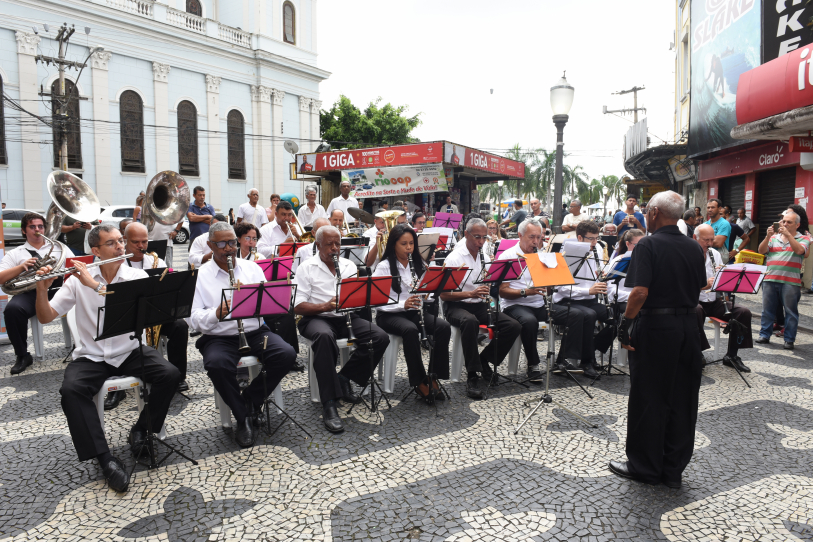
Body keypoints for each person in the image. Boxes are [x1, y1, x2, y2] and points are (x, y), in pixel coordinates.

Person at [36, 224, 181, 493]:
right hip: (91, 355)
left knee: (170, 374)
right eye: (112, 243)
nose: (120, 247)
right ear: (96, 251)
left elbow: (118, 304)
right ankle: (105, 460)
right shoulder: (76, 280)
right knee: (71, 390)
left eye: (121, 242)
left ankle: (142, 430)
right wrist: (42, 288)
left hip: (128, 350)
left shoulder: (136, 275)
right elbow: (46, 317)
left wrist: (93, 285)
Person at [612, 190, 706, 489]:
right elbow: (701, 283)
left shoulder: (647, 245)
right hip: (689, 327)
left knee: (649, 397)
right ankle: (672, 468)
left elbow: (640, 292)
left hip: (656, 328)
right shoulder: (694, 246)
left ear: (653, 213)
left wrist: (625, 325)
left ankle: (645, 466)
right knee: (683, 398)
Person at [189, 222, 296, 447]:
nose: (228, 248)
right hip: (218, 335)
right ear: (210, 245)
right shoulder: (199, 276)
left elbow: (267, 301)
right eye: (221, 244)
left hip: (254, 330)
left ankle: (249, 400)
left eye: (231, 242)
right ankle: (242, 416)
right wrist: (216, 314)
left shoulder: (252, 268)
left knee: (286, 354)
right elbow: (194, 319)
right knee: (217, 365)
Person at [293, 226, 389, 433]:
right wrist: (325, 306)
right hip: (315, 317)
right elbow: (297, 306)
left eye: (338, 243)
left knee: (380, 337)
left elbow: (355, 296)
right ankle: (329, 403)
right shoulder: (306, 268)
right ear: (318, 245)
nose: (335, 248)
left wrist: (357, 299)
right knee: (325, 337)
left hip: (345, 316)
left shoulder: (348, 265)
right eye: (329, 244)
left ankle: (343, 378)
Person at [103, 222, 190, 410]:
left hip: (153, 314)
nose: (141, 246)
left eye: (145, 241)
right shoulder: (114, 261)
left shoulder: (155, 261)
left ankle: (179, 376)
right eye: (136, 242)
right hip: (126, 316)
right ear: (124, 241)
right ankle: (116, 388)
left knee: (180, 326)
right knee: (114, 332)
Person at [440, 218, 521, 399]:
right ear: (466, 234)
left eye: (484, 238)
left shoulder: (483, 254)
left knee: (513, 326)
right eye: (477, 237)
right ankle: (472, 375)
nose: (481, 242)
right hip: (455, 305)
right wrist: (471, 294)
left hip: (478, 304)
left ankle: (485, 360)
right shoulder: (455, 258)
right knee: (470, 322)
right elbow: (444, 295)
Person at [373, 225, 451, 402]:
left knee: (443, 327)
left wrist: (429, 292)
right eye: (403, 244)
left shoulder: (419, 265)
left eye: (411, 243)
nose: (408, 248)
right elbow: (377, 301)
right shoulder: (384, 267)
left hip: (413, 312)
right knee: (410, 330)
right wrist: (403, 304)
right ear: (393, 245)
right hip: (389, 315)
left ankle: (433, 376)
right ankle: (419, 381)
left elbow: (427, 298)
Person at [0, 212, 71, 374]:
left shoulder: (59, 247)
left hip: (59, 289)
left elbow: (75, 264)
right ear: (24, 230)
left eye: (40, 226)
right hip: (31, 292)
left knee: (88, 299)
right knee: (12, 310)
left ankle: (84, 347)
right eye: (32, 227)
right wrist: (21, 267)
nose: (37, 230)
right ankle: (22, 355)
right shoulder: (16, 253)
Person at [551, 220, 611, 378]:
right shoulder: (566, 253)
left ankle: (592, 348)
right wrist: (589, 290)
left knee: (616, 315)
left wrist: (602, 276)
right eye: (591, 238)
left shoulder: (597, 248)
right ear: (579, 238)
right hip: (569, 300)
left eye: (596, 238)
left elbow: (595, 279)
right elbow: (561, 288)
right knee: (588, 315)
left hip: (589, 300)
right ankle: (586, 361)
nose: (595, 242)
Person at [693, 224, 753, 372]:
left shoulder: (715, 253)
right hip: (694, 299)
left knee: (743, 312)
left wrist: (724, 277)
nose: (709, 243)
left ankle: (732, 355)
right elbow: (680, 283)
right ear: (695, 238)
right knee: (696, 310)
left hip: (713, 300)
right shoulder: (686, 254)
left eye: (712, 240)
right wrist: (703, 285)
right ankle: (696, 353)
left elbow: (723, 284)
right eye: (705, 240)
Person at [497, 220, 549, 384]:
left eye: (539, 237)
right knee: (529, 321)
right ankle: (533, 365)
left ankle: (564, 359)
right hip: (514, 304)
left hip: (539, 303)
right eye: (531, 237)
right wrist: (526, 292)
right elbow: (502, 291)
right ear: (520, 236)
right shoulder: (508, 256)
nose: (535, 242)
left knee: (571, 313)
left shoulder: (542, 255)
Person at [756, 209, 810, 350]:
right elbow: (761, 251)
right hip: (770, 278)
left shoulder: (804, 238)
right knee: (767, 310)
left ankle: (789, 339)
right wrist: (767, 237)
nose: (785, 224)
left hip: (790, 282)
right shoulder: (774, 238)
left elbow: (799, 251)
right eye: (784, 221)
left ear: (797, 225)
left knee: (791, 311)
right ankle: (764, 335)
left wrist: (788, 236)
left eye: (789, 222)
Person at [705, 198, 731, 263]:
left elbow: (718, 243)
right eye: (708, 207)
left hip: (719, 260)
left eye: (712, 207)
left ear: (719, 209)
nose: (710, 209)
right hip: (705, 258)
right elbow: (696, 240)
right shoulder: (704, 224)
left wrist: (703, 240)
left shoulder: (724, 224)